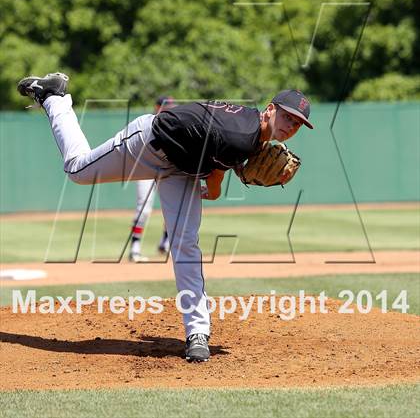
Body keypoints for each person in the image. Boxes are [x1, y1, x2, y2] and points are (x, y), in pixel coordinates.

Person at [17, 72, 313, 363]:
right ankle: (55, 97)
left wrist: (234, 166)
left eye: (298, 124)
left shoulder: (251, 128)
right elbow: (215, 179)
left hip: (181, 169)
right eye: (288, 117)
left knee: (184, 243)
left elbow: (218, 148)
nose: (291, 126)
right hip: (147, 144)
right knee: (78, 170)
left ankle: (198, 333)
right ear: (270, 109)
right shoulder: (241, 136)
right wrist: (216, 189)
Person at [129, 95, 175, 263]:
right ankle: (135, 247)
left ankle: (165, 242)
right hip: (145, 169)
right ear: (157, 107)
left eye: (171, 106)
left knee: (172, 207)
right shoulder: (148, 123)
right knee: (144, 208)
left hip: (166, 170)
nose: (169, 108)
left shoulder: (175, 124)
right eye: (166, 106)